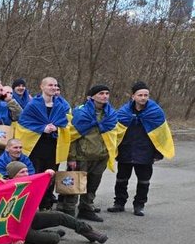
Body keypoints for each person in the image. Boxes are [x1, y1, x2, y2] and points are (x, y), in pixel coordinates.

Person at [109, 81, 175, 216]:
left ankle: (139, 205)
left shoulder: (156, 112)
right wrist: (114, 149)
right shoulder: (123, 112)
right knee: (121, 179)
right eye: (140, 95)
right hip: (126, 151)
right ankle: (119, 203)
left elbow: (162, 134)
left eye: (146, 95)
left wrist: (158, 152)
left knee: (144, 181)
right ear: (133, 96)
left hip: (146, 152)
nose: (143, 98)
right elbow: (115, 132)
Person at [2, 162, 107, 244]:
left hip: (30, 218)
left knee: (59, 216)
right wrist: (12, 239)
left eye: (26, 171)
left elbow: (41, 188)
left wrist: (48, 176)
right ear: (13, 175)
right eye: (22, 172)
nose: (26, 174)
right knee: (54, 239)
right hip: (17, 228)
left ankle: (88, 232)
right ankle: (47, 234)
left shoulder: (28, 183)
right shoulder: (5, 189)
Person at [59, 85, 117, 221]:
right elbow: (71, 137)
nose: (105, 96)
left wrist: (109, 153)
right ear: (92, 97)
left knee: (92, 185)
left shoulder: (111, 114)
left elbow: (113, 135)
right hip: (81, 156)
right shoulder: (80, 113)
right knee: (73, 186)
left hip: (100, 156)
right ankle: (68, 212)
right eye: (101, 93)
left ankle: (86, 209)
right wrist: (71, 157)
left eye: (107, 93)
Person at [15, 77, 70, 209]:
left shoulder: (60, 105)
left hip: (53, 147)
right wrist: (42, 128)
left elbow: (66, 124)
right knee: (35, 176)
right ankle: (31, 206)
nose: (53, 88)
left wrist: (57, 127)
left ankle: (46, 204)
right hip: (36, 147)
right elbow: (23, 124)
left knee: (50, 176)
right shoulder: (33, 104)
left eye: (55, 85)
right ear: (42, 87)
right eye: (50, 85)